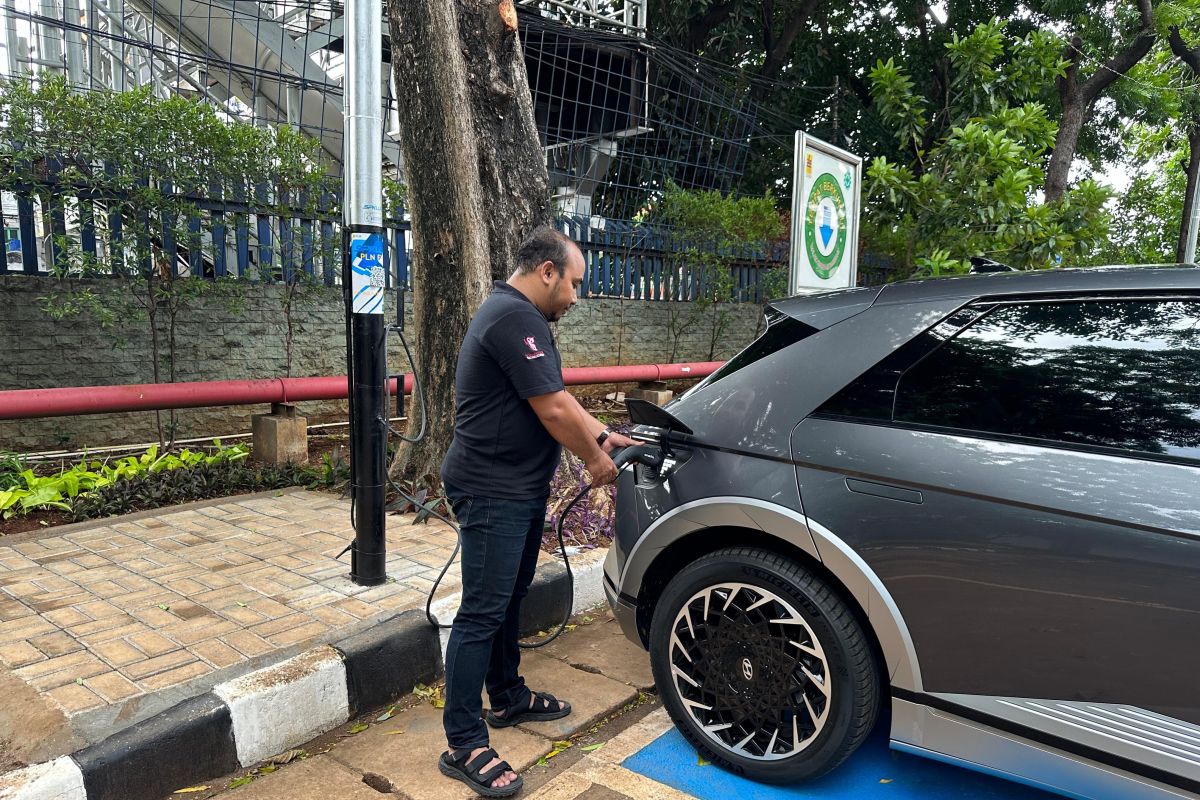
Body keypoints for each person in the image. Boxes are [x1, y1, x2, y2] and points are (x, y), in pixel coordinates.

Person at [437, 225, 637, 797]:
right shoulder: (512, 317)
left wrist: (604, 434)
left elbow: (560, 395)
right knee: (481, 610)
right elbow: (551, 410)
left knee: (508, 598)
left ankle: (507, 698)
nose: (576, 296)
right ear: (547, 271)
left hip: (516, 487)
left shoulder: (527, 321)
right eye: (573, 283)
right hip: (491, 489)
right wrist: (593, 462)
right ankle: (464, 741)